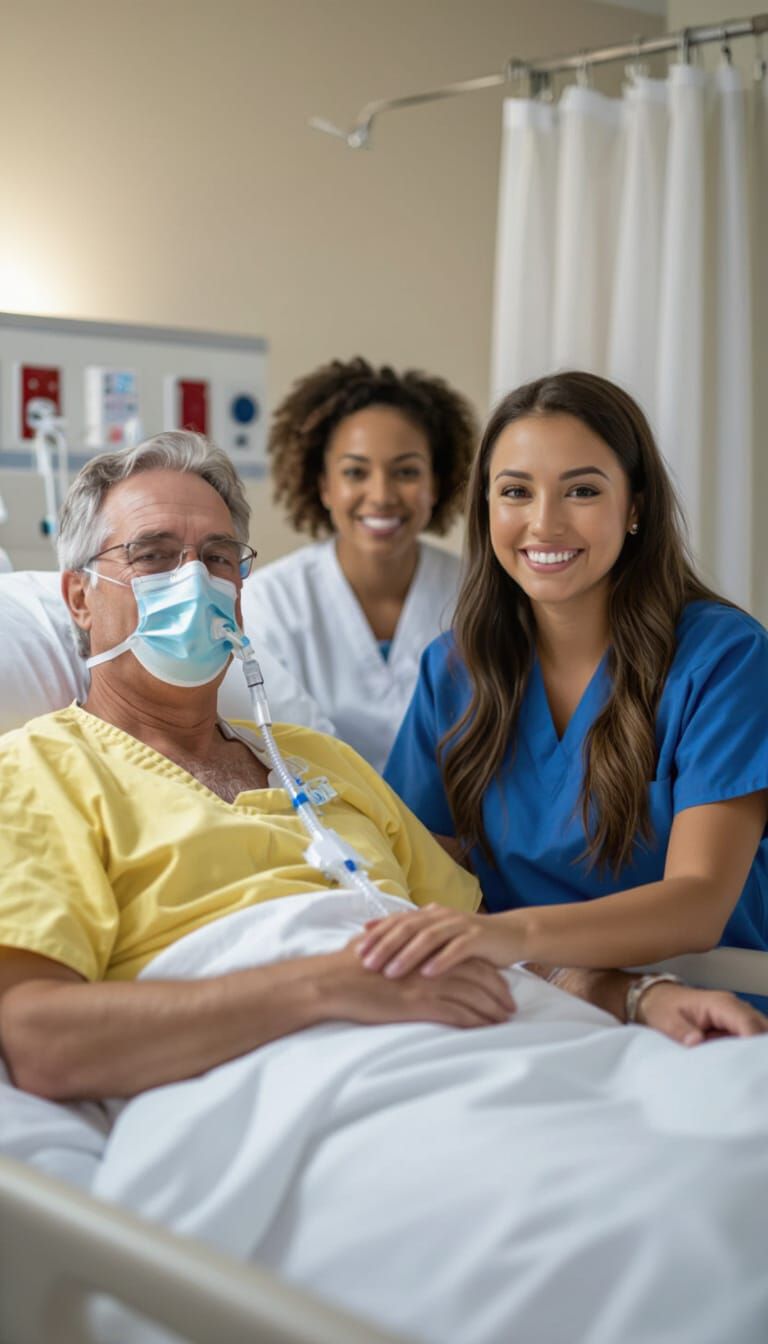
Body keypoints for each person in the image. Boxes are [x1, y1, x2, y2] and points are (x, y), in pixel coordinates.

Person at [0, 430, 761, 1108]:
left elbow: (481, 936)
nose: (194, 581)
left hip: (510, 1042)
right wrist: (328, 984)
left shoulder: (315, 761)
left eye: (218, 557)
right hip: (319, 1081)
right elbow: (40, 1039)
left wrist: (633, 993)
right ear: (77, 599)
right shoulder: (39, 771)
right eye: (154, 555)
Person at [372, 371, 768, 995]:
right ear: (487, 508)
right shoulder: (454, 670)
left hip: (704, 1005)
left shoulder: (723, 659)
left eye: (581, 490)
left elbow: (699, 904)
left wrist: (515, 935)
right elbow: (421, 868)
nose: (544, 524)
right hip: (531, 999)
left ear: (634, 506)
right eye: (516, 492)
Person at [240, 357, 477, 771]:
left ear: (436, 483)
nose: (382, 495)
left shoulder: (477, 593)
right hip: (321, 827)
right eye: (355, 472)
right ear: (324, 485)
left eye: (406, 471)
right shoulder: (270, 604)